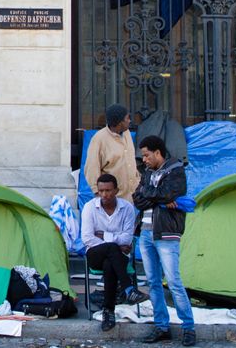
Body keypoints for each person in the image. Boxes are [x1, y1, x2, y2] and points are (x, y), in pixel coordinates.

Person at [133, 135, 196, 346]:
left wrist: (154, 195)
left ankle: (188, 328)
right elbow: (137, 197)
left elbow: (168, 193)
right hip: (146, 233)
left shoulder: (176, 171)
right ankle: (162, 326)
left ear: (158, 152)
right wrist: (159, 198)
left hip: (167, 233)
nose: (144, 160)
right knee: (152, 283)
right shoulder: (147, 173)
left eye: (146, 155)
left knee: (174, 282)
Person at [81, 173, 149, 331]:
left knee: (109, 264)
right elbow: (87, 238)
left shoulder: (127, 208)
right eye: (101, 191)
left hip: (118, 258)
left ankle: (108, 313)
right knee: (111, 250)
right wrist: (114, 245)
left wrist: (104, 236)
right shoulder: (90, 207)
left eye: (108, 190)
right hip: (95, 254)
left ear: (116, 190)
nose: (104, 194)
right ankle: (128, 289)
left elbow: (127, 238)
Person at [84, 103, 140, 203]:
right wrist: (99, 195)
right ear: (119, 122)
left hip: (134, 197)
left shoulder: (126, 133)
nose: (129, 121)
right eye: (127, 118)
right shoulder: (99, 139)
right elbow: (91, 169)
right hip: (113, 200)